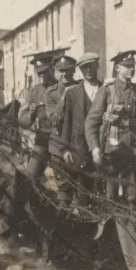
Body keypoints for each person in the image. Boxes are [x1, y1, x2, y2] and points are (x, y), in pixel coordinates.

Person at [85, 50, 136, 210]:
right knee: (110, 196)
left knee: (132, 196)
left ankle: (133, 229)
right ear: (117, 68)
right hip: (111, 153)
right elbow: (91, 122)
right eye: (127, 66)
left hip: (132, 151)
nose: (131, 69)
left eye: (133, 66)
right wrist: (94, 148)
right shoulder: (107, 91)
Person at [6, 54, 56, 246]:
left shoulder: (62, 89)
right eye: (40, 73)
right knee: (27, 181)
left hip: (61, 146)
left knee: (63, 188)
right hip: (42, 145)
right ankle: (14, 226)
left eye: (45, 72)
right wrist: (32, 113)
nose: (43, 76)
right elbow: (23, 121)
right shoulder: (33, 92)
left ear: (52, 70)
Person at [58, 53, 102, 209]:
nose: (88, 71)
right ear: (80, 71)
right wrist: (64, 149)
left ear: (97, 66)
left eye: (91, 66)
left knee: (101, 191)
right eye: (84, 68)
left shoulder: (106, 90)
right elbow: (66, 124)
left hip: (101, 148)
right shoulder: (72, 93)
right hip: (79, 150)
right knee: (83, 193)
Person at [44, 56, 79, 207]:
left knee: (84, 192)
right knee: (63, 193)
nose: (64, 74)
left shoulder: (82, 88)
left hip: (79, 147)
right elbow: (53, 120)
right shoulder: (50, 93)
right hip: (59, 148)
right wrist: (65, 96)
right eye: (60, 71)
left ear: (74, 70)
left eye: (67, 70)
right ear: (55, 72)